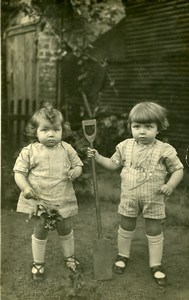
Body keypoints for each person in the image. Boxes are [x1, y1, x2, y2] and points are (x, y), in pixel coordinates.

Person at [87, 101, 183, 287]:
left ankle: (155, 264)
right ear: (130, 127)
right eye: (137, 126)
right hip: (129, 198)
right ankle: (123, 255)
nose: (142, 131)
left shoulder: (165, 149)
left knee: (154, 229)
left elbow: (178, 169)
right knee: (126, 225)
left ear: (159, 128)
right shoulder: (125, 146)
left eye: (148, 127)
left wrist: (170, 185)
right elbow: (113, 164)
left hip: (154, 199)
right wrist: (98, 157)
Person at [13, 103, 83, 281]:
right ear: (34, 131)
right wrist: (25, 187)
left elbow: (78, 165)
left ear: (62, 131)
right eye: (45, 130)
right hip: (39, 199)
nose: (51, 134)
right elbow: (19, 173)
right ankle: (38, 263)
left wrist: (76, 171)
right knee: (40, 229)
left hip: (62, 197)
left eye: (56, 130)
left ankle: (70, 258)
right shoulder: (30, 151)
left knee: (65, 228)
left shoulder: (66, 149)